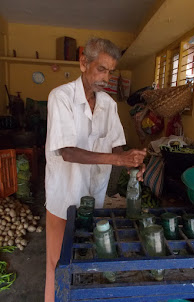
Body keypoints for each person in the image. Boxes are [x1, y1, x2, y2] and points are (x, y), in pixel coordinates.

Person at [44, 37, 146, 301]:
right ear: (83, 63)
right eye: (101, 69)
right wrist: (117, 161)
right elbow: (67, 151)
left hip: (94, 199)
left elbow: (115, 150)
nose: (106, 77)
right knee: (57, 263)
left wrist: (132, 164)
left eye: (110, 71)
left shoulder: (109, 105)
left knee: (84, 257)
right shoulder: (61, 98)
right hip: (63, 197)